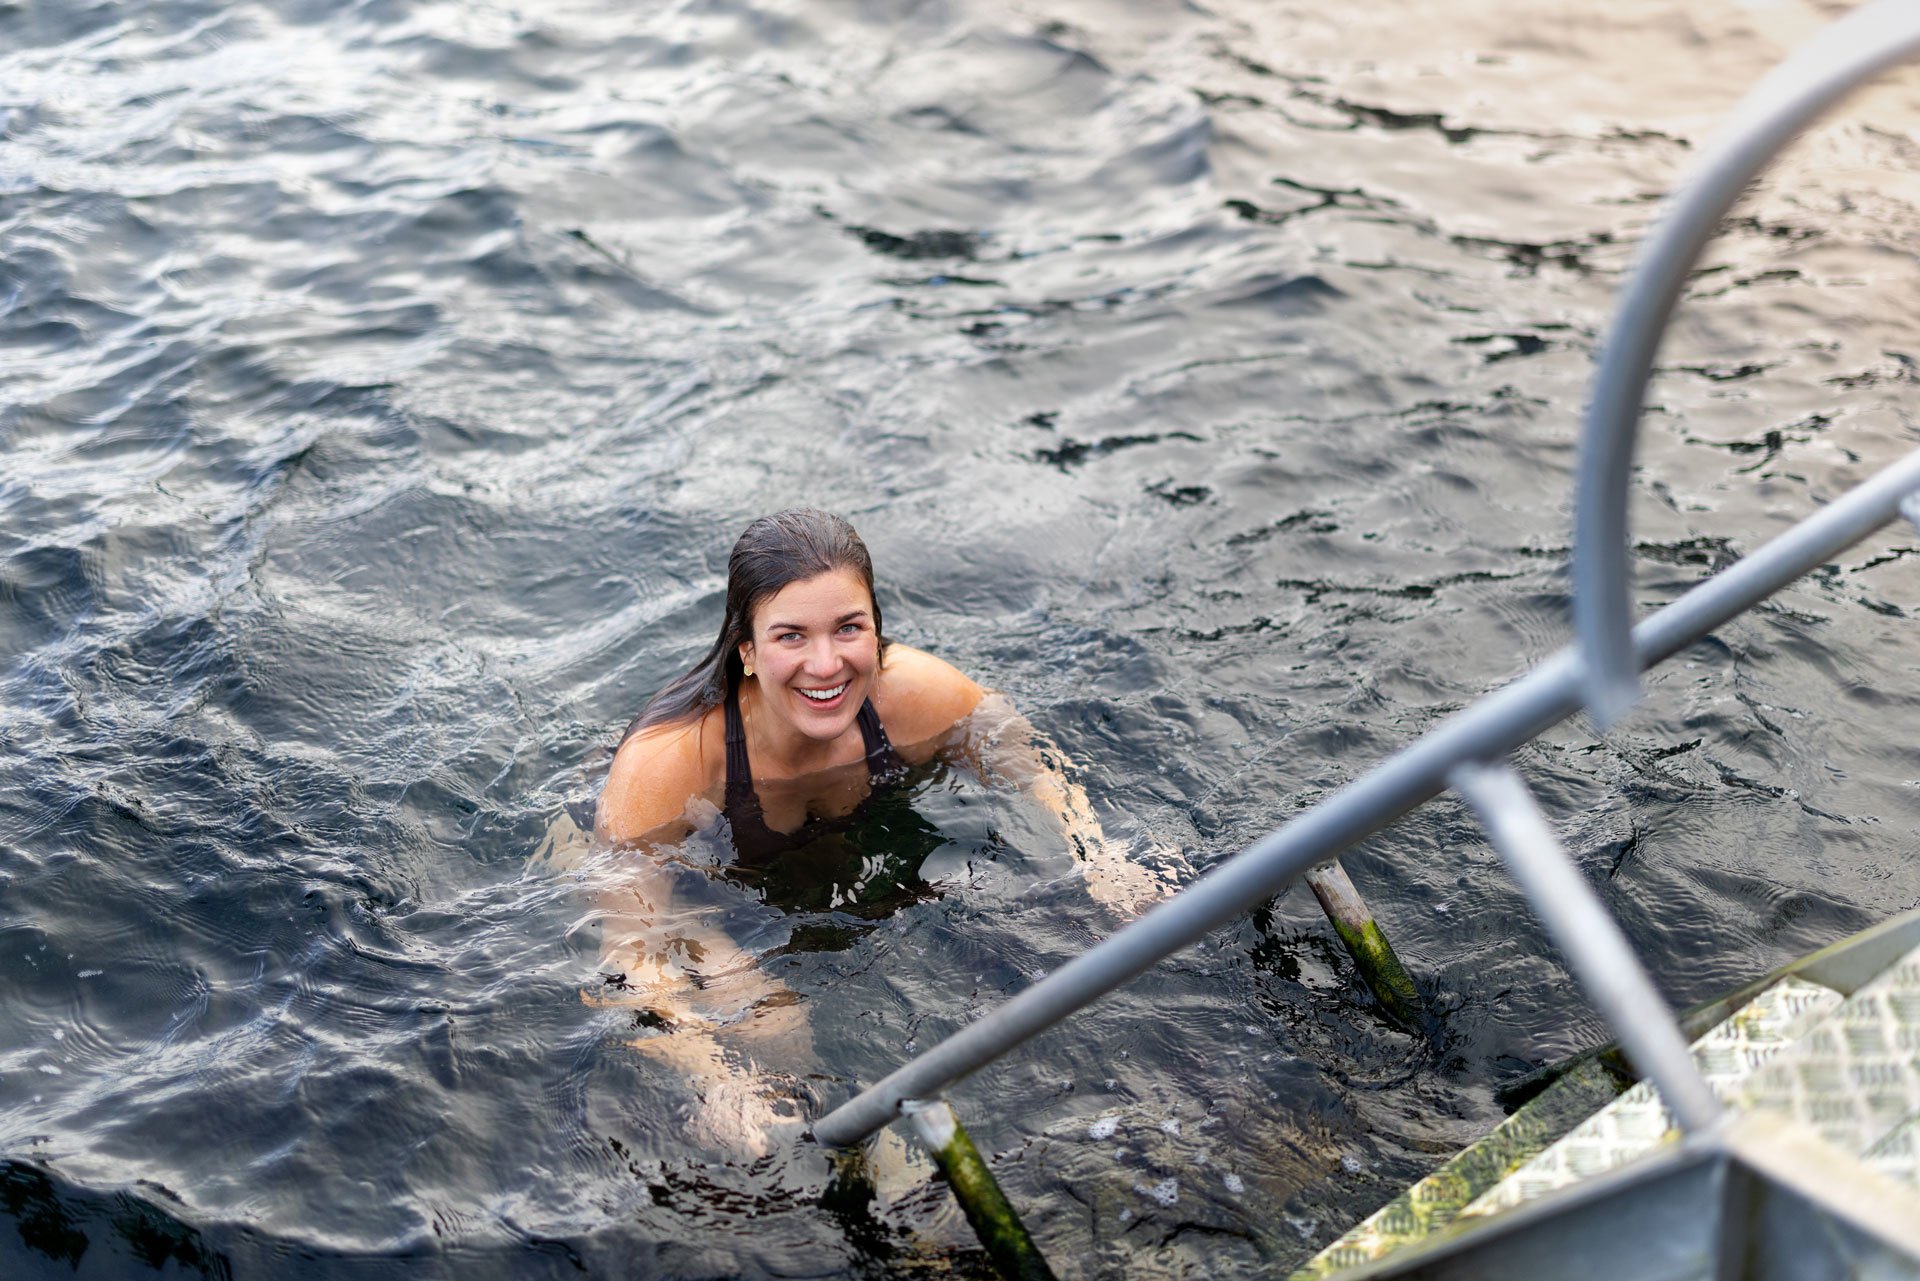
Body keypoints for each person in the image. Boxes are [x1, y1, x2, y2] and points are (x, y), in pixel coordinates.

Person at [589, 508, 1166, 1153]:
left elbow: (1031, 766)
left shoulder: (914, 695)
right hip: (700, 889)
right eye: (791, 637)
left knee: (1042, 935)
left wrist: (1099, 856)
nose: (827, 664)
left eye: (848, 629)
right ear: (746, 651)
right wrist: (712, 1076)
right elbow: (632, 952)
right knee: (768, 1019)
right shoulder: (672, 762)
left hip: (853, 857)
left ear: (877, 630)